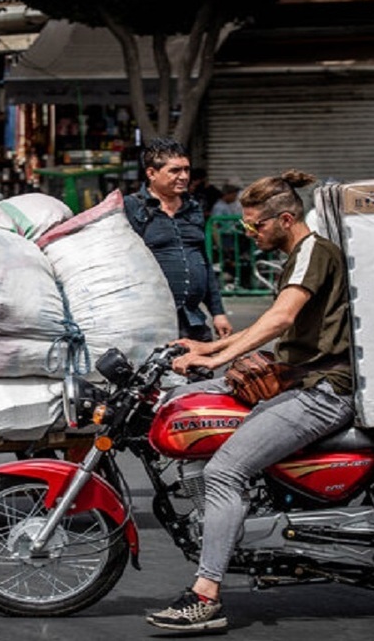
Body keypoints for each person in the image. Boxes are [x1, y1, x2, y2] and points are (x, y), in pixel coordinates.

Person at [146, 169, 354, 633]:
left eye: (254, 226)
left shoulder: (312, 253)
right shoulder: (300, 255)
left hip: (322, 391)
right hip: (299, 382)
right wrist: (208, 350)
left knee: (225, 471)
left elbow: (280, 319)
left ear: (284, 219)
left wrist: (220, 357)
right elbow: (271, 324)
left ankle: (206, 596)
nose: (250, 233)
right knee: (199, 402)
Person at [124, 138, 232, 341]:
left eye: (186, 170)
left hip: (192, 321)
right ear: (151, 173)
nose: (184, 177)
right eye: (175, 171)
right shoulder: (132, 207)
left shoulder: (193, 208)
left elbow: (203, 262)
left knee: (201, 370)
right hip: (151, 323)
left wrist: (218, 313)